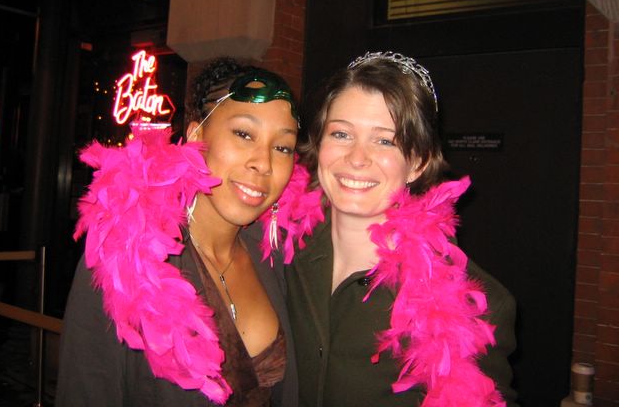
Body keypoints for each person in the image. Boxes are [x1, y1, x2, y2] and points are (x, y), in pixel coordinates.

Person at [56, 59, 306, 406]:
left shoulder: (277, 256)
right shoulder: (122, 258)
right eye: (244, 134)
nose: (263, 163)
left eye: (282, 147)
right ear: (196, 136)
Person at [285, 52, 519, 407]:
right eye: (341, 134)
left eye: (385, 140)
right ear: (318, 144)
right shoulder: (277, 251)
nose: (357, 158)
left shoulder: (476, 312)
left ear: (418, 163)